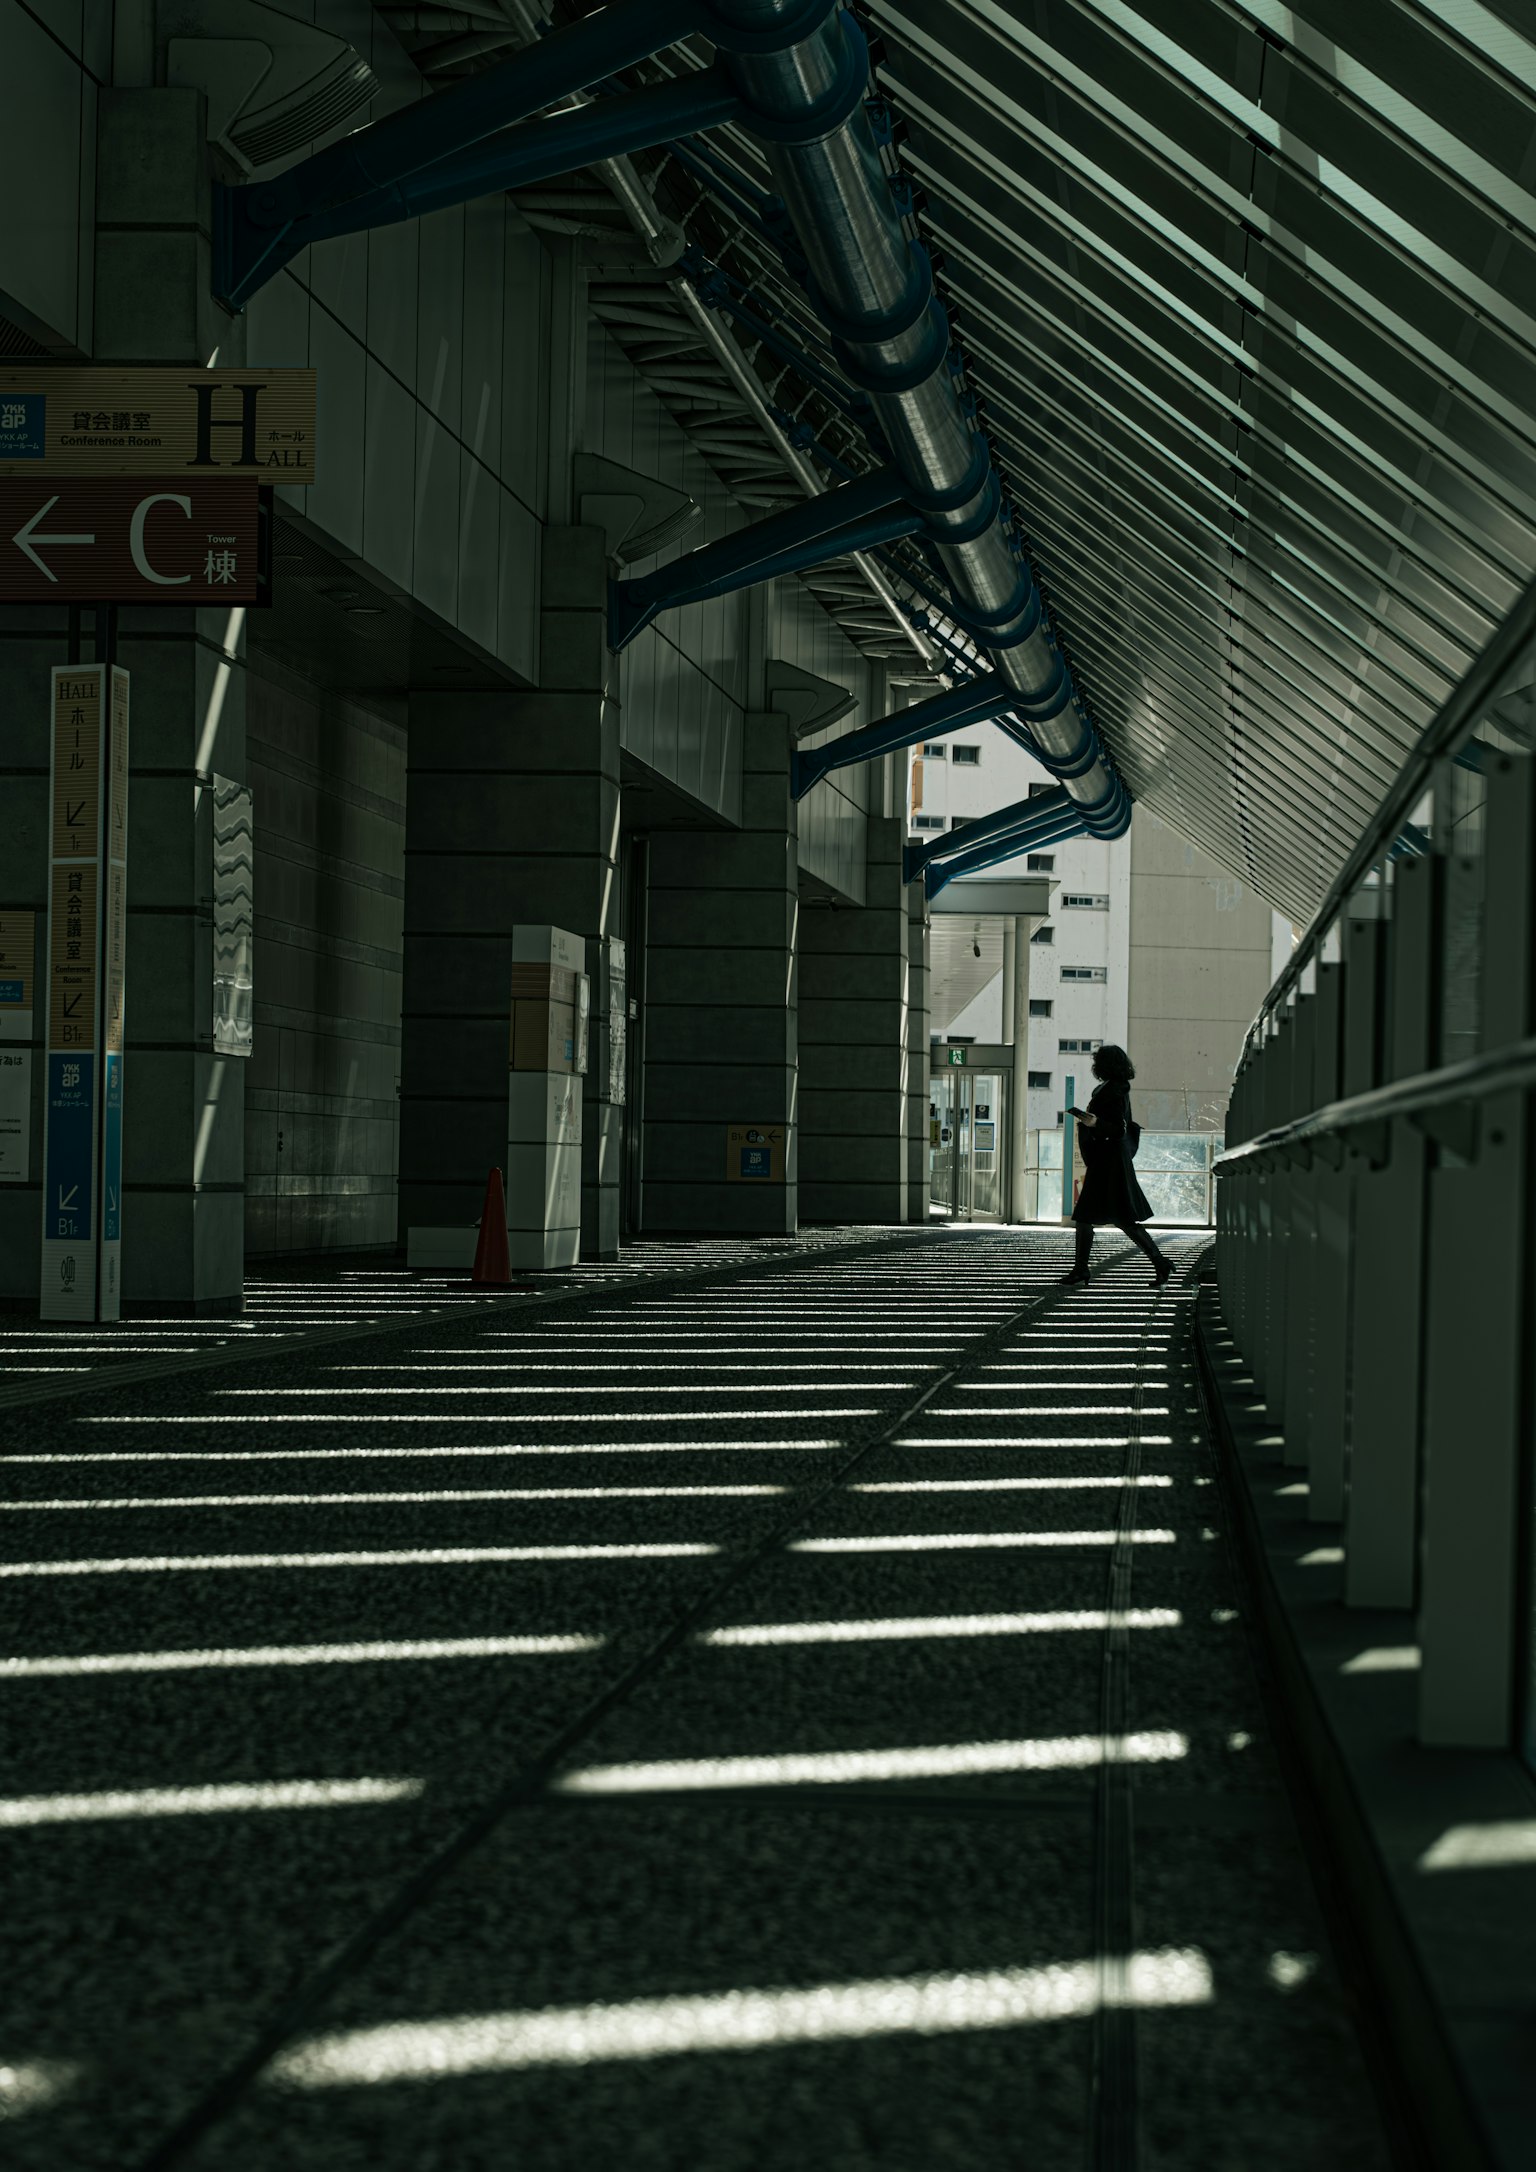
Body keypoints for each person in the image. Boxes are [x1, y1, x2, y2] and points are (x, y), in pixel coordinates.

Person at [1058, 1044, 1172, 1287]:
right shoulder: (1113, 1087)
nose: (1094, 1066)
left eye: (1097, 1062)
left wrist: (1094, 1123)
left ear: (1105, 1065)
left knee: (1091, 1216)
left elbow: (1118, 1128)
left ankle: (1082, 1269)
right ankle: (1159, 1261)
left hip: (1107, 1161)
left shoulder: (1115, 1090)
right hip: (1109, 1160)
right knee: (1117, 1218)